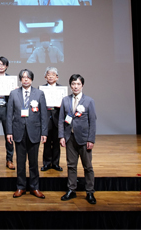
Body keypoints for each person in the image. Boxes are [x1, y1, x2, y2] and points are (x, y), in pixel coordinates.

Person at [6, 69, 48, 199]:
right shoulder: (13, 93)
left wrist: (44, 132)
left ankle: (35, 187)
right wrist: (9, 132)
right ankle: (21, 187)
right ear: (20, 79)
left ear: (32, 79)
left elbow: (44, 115)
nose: (25, 79)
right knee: (20, 162)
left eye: (28, 77)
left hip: (34, 132)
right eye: (23, 77)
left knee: (34, 162)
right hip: (18, 131)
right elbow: (9, 115)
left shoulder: (39, 93)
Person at [58, 74, 97, 204]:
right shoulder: (65, 100)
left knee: (88, 167)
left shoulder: (89, 101)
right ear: (70, 85)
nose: (75, 86)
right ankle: (71, 189)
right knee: (71, 166)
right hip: (70, 138)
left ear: (82, 85)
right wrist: (61, 136)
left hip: (84, 139)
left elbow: (93, 122)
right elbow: (61, 120)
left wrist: (91, 139)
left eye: (78, 84)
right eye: (73, 84)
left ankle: (90, 192)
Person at [41, 67, 63, 172]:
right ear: (45, 77)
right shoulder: (41, 89)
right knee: (46, 142)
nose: (51, 76)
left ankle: (55, 163)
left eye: (53, 75)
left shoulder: (62, 89)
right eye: (48, 74)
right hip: (45, 118)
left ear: (57, 77)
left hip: (57, 118)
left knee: (56, 143)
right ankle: (46, 163)